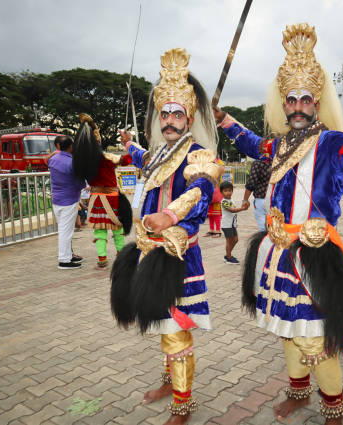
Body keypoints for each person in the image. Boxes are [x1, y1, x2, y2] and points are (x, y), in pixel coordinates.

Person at [214, 23, 343, 424]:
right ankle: (298, 391)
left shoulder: (330, 141)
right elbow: (250, 143)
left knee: (314, 336)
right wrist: (223, 120)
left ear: (317, 101)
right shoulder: (277, 144)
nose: (296, 106)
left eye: (305, 99)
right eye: (290, 99)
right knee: (288, 328)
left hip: (314, 253)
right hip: (275, 252)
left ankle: (334, 408)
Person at [111, 48, 221, 425]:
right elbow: (142, 158)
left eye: (178, 114)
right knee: (159, 323)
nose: (171, 120)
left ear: (189, 117)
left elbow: (202, 190)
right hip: (148, 251)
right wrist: (127, 144)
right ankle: (168, 381)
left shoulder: (199, 154)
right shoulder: (159, 153)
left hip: (177, 256)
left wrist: (170, 214)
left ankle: (183, 405)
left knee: (176, 333)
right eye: (165, 113)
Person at [72, 114, 133, 268]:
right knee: (117, 227)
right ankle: (120, 255)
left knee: (100, 230)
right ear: (98, 141)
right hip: (112, 197)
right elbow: (127, 160)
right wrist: (129, 143)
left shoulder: (83, 162)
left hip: (95, 198)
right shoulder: (107, 157)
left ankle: (102, 258)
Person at [48, 135, 85, 269]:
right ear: (70, 147)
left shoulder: (53, 159)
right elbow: (80, 183)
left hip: (57, 199)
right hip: (69, 200)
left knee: (64, 229)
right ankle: (64, 260)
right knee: (66, 231)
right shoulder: (72, 162)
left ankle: (68, 255)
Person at [220, 180, 247, 264]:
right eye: (225, 191)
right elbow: (232, 210)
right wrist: (242, 208)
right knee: (229, 241)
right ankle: (228, 257)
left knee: (235, 240)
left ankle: (228, 255)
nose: (228, 192)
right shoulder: (224, 202)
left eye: (229, 190)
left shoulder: (231, 200)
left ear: (232, 191)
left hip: (232, 224)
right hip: (226, 224)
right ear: (221, 192)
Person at [242, 158, 271, 231]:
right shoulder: (279, 161)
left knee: (263, 229)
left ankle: (264, 241)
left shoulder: (258, 163)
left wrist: (245, 200)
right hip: (276, 199)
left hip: (261, 200)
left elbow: (251, 183)